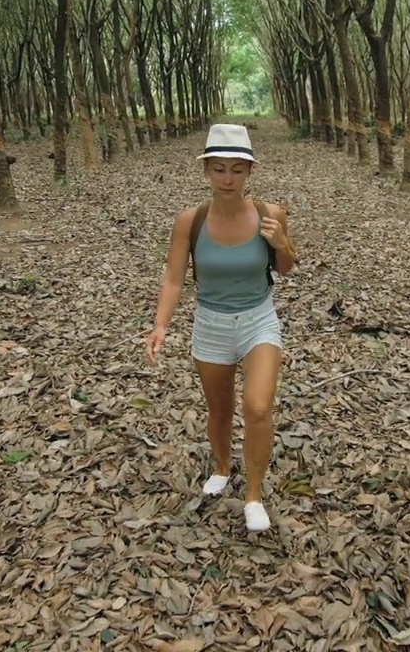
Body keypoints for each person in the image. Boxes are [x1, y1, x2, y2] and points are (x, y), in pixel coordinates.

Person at [145, 123, 298, 532]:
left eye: (236, 169)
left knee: (258, 407)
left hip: (257, 319)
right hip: (210, 322)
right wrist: (161, 325)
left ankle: (253, 495)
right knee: (219, 409)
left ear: (250, 171)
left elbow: (284, 268)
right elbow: (174, 278)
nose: (227, 178)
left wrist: (282, 243)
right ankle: (220, 466)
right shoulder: (189, 221)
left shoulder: (271, 215)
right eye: (218, 169)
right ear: (207, 171)